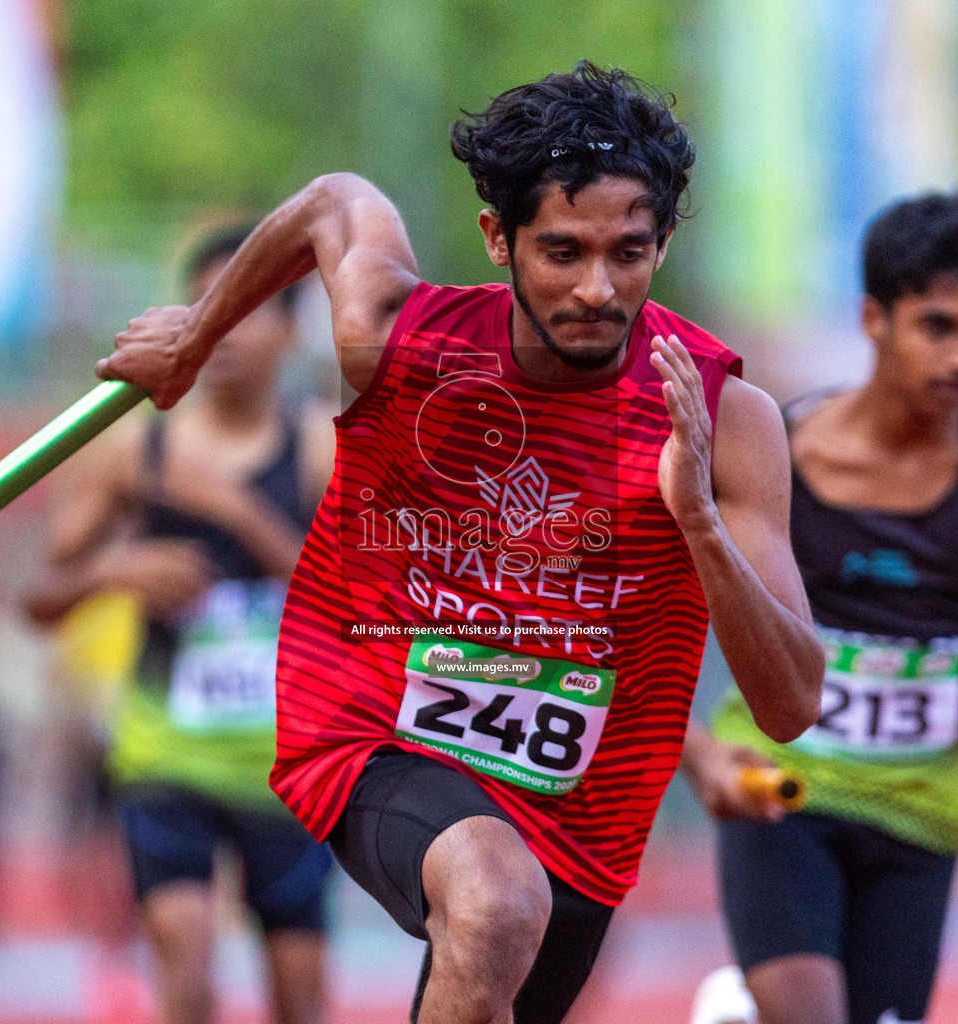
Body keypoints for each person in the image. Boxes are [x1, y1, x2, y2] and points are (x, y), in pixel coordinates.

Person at [96, 61, 825, 1024]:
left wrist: (697, 522)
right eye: (561, 252)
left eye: (629, 253)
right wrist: (196, 338)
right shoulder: (397, 341)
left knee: (502, 941)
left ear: (664, 241)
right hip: (374, 731)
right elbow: (334, 202)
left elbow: (791, 704)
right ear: (498, 238)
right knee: (495, 897)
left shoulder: (726, 420)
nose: (597, 291)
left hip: (581, 811)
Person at [682, 192, 958, 1024]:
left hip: (921, 816)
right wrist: (697, 752)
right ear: (873, 318)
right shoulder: (784, 449)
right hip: (784, 791)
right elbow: (644, 612)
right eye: (939, 326)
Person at [25, 223, 337, 1024]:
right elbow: (38, 596)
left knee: (300, 996)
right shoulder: (137, 453)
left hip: (290, 762)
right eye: (204, 308)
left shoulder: (320, 450)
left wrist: (233, 507)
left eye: (245, 309)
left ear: (292, 328)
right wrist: (112, 572)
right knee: (184, 958)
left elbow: (356, 604)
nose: (220, 331)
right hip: (164, 750)